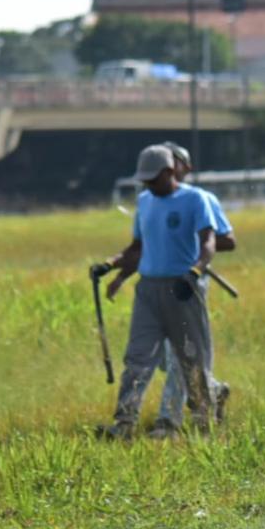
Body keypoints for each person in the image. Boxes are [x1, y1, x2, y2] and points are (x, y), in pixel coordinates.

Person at [96, 144, 221, 440]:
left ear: (169, 172)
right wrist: (110, 265)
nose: (149, 185)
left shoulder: (195, 200)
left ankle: (204, 425)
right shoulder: (145, 201)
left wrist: (195, 270)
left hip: (183, 289)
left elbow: (209, 243)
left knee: (192, 360)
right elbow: (137, 247)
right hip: (148, 292)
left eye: (154, 179)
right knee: (137, 359)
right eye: (146, 181)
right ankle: (124, 423)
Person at [131, 141, 235, 438]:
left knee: (181, 357)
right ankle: (213, 390)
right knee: (166, 358)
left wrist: (190, 242)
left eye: (176, 161)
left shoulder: (202, 200)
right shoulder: (150, 200)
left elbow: (225, 239)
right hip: (158, 286)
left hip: (188, 284)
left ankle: (169, 421)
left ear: (184, 168)